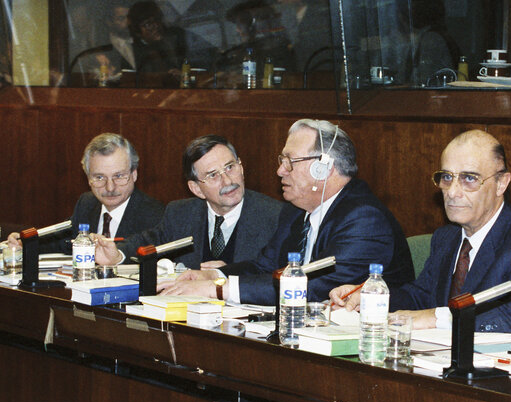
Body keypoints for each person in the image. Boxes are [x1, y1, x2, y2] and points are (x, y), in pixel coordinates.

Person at [331, 130, 511, 338]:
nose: (452, 192)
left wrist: (438, 318)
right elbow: (421, 296)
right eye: (447, 177)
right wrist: (374, 296)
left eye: (469, 178)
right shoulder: (447, 237)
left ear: (501, 183)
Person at [158, 119, 414, 304]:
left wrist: (216, 289)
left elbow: (312, 288)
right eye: (282, 161)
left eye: (290, 162)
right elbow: (265, 266)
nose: (280, 171)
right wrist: (210, 275)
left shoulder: (364, 219)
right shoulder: (295, 212)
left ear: (323, 168)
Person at [95, 134, 283, 270]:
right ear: (196, 189)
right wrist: (117, 256)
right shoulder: (181, 213)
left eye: (230, 167)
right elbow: (147, 243)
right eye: (212, 175)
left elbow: (278, 275)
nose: (228, 181)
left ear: (241, 167)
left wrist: (230, 275)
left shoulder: (274, 216)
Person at [4, 133, 164, 254]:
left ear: (134, 174)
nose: (110, 187)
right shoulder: (87, 203)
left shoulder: (155, 214)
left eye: (119, 176)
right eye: (99, 177)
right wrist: (25, 243)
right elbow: (61, 241)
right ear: (88, 178)